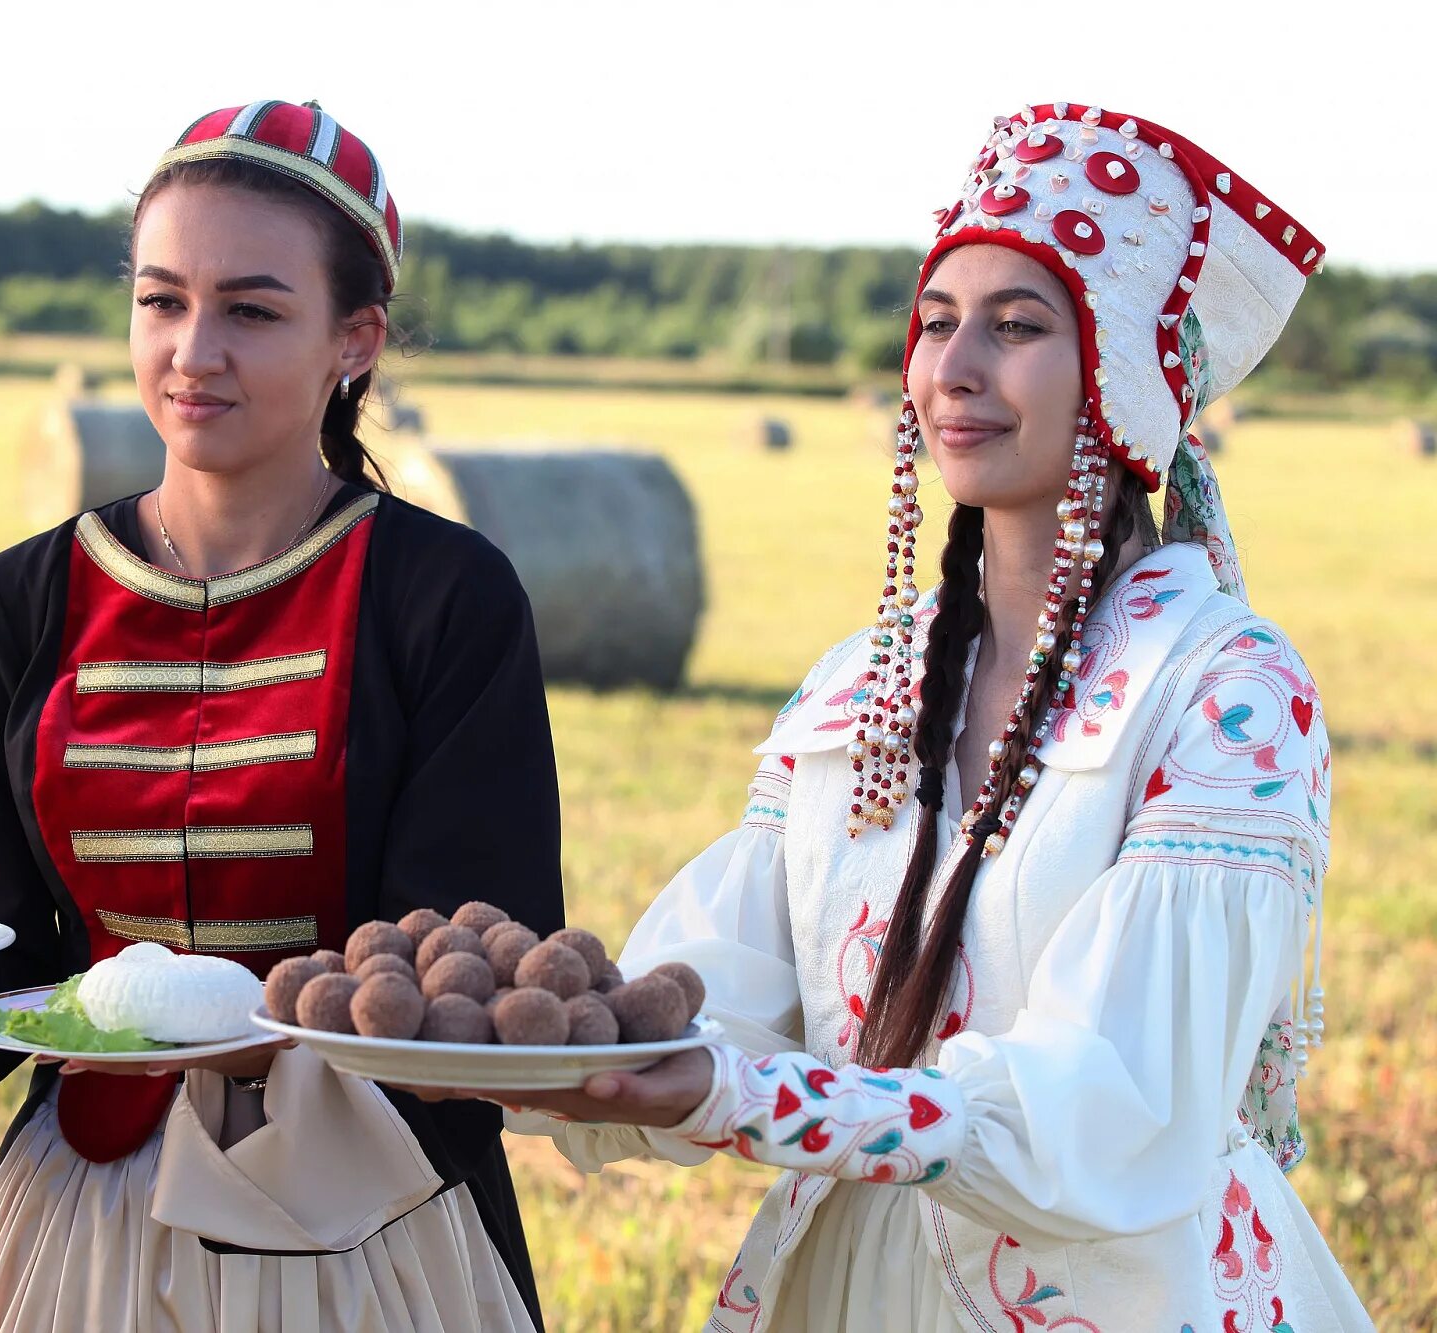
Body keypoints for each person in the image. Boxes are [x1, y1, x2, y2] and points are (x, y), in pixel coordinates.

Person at [495, 102, 1372, 1330]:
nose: (951, 368)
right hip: (853, 1281)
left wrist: (749, 1098)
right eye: (936, 322)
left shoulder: (1221, 690)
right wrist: (531, 1041)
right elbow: (713, 993)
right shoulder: (858, 685)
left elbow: (1110, 1106)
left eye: (1016, 326)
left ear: (1123, 379)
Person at [0, 100, 561, 1332]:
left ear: (354, 339)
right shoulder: (15, 606)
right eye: (162, 301)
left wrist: (258, 1048)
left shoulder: (444, 600)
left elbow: (469, 971)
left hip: (362, 1216)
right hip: (82, 1222)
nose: (192, 352)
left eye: (251, 311)